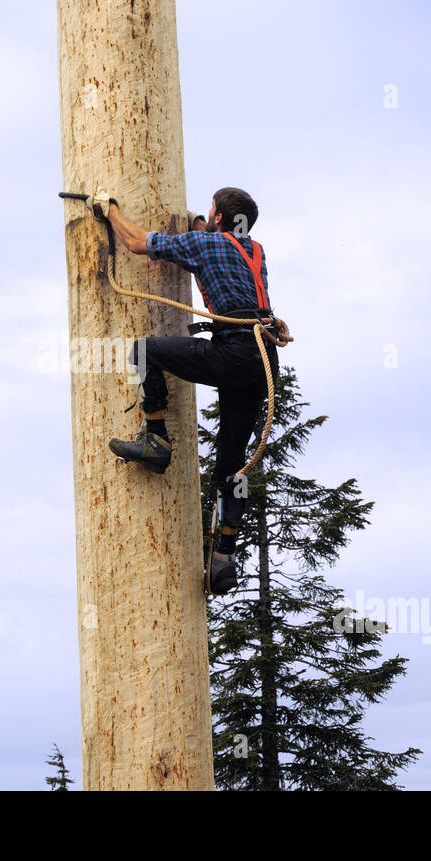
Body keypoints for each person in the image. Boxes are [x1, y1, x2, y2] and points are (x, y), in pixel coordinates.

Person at [91, 186, 280, 594]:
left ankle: (156, 438)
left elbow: (136, 242)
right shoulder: (257, 251)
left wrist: (110, 209)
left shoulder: (204, 244)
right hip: (263, 360)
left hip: (233, 350)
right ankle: (224, 559)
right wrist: (202, 224)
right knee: (233, 465)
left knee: (144, 352)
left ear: (216, 219)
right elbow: (219, 243)